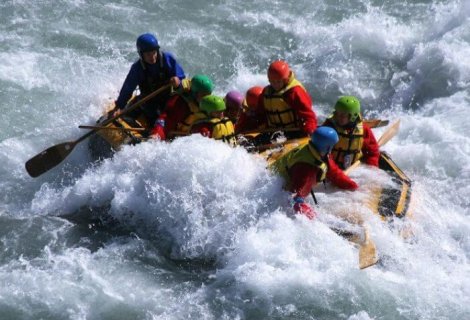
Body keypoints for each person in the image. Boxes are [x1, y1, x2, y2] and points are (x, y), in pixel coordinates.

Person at [270, 126, 358, 220]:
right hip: (272, 186)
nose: (333, 148)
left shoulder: (317, 151)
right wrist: (315, 219)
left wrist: (352, 185)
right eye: (332, 146)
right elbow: (295, 199)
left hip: (285, 177)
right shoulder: (306, 168)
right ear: (327, 147)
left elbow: (333, 172)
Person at [113, 33, 186, 126]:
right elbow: (128, 88)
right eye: (148, 54)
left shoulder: (168, 59)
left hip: (169, 98)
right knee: (138, 113)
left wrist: (177, 82)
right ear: (141, 54)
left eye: (154, 53)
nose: (152, 57)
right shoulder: (137, 68)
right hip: (149, 100)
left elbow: (182, 79)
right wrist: (119, 106)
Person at [254, 60, 317, 139]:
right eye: (272, 82)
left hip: (294, 132)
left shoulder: (294, 92)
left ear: (286, 79)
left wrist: (310, 131)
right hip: (273, 132)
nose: (275, 85)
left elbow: (308, 116)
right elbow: (261, 112)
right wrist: (261, 123)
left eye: (278, 82)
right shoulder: (266, 92)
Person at [322, 96, 380, 169]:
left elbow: (372, 152)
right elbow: (322, 153)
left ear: (352, 116)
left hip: (353, 168)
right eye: (337, 113)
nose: (338, 117)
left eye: (342, 115)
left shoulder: (364, 129)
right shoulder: (329, 126)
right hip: (331, 168)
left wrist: (372, 168)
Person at [150, 74, 214, 140]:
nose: (207, 97)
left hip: (194, 132)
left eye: (208, 94)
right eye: (203, 95)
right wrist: (157, 134)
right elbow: (165, 120)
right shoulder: (180, 103)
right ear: (195, 93)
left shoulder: (208, 102)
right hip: (178, 135)